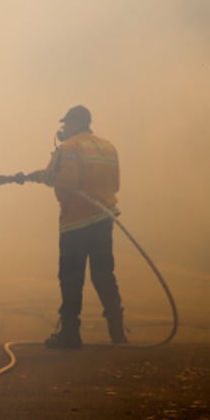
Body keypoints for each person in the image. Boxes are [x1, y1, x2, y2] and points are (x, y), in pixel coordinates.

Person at [25, 104, 127, 349]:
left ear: (75, 123)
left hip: (76, 223)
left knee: (71, 277)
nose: (63, 128)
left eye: (66, 124)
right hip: (103, 219)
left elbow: (67, 179)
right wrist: (30, 175)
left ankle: (70, 333)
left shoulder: (70, 147)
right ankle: (118, 332)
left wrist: (48, 175)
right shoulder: (107, 146)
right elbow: (115, 183)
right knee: (104, 274)